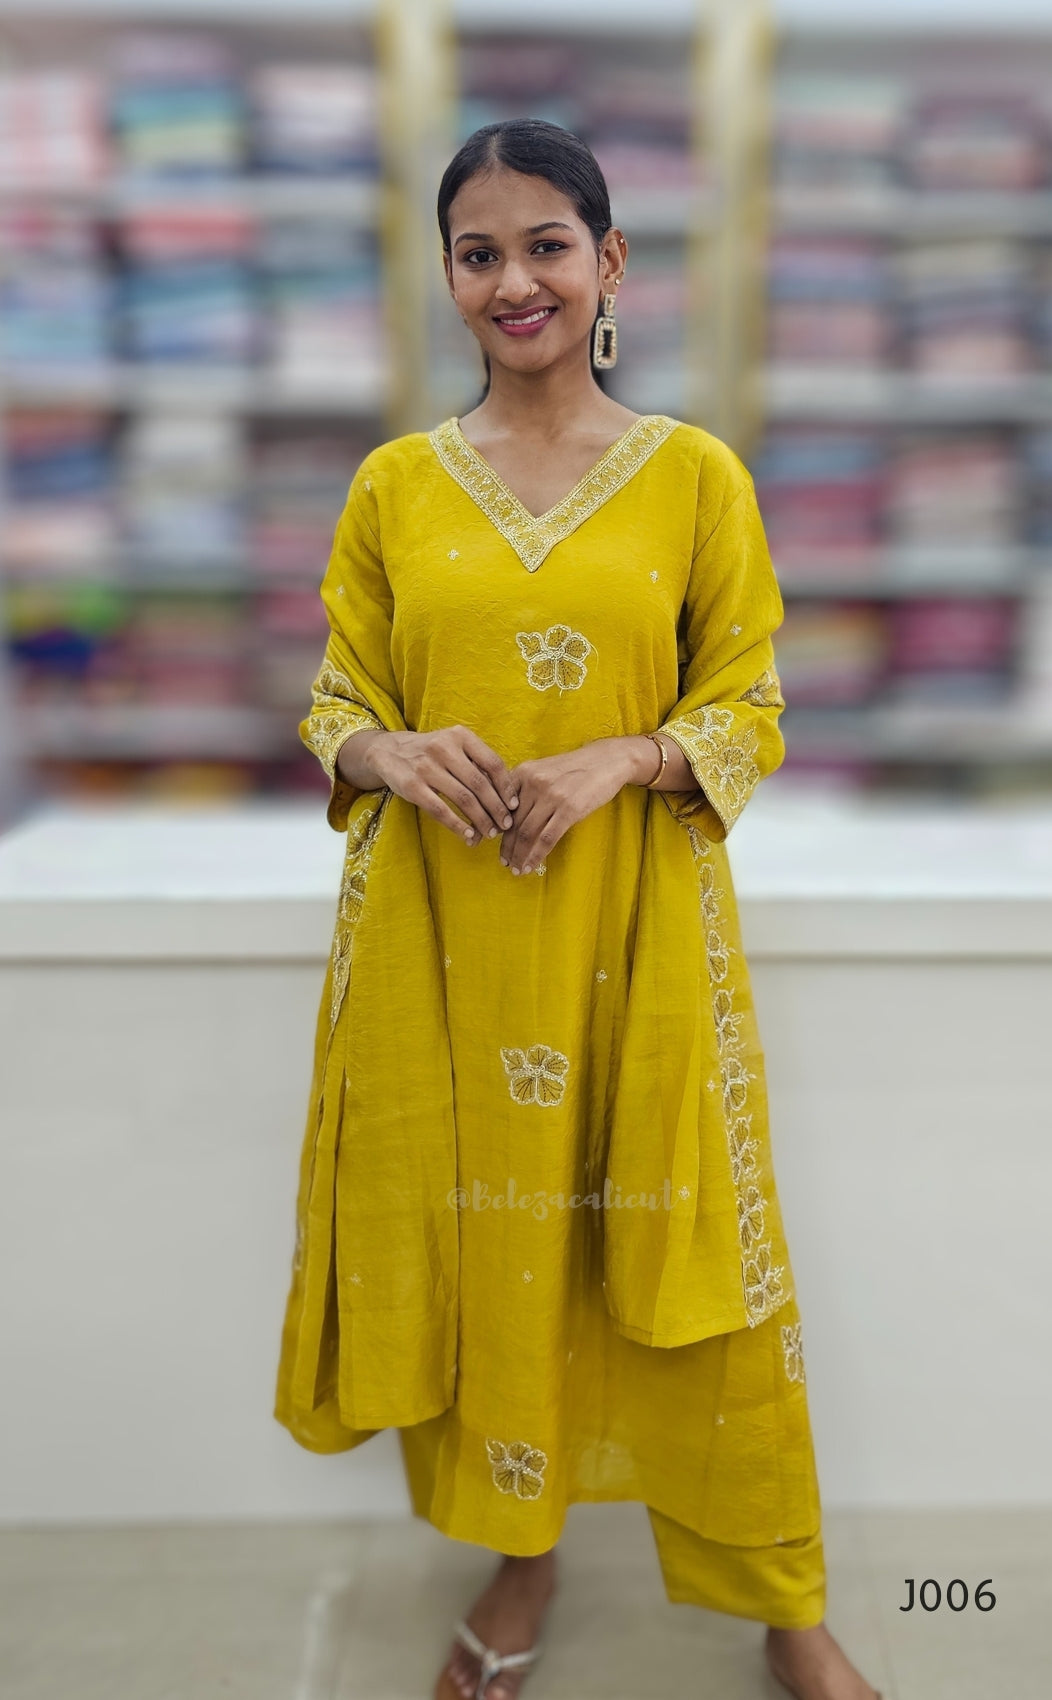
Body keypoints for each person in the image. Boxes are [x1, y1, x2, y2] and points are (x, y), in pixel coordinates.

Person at [274, 119, 882, 1700]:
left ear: (610, 262)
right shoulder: (396, 486)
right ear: (447, 275)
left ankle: (787, 1605)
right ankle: (522, 1557)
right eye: (477, 252)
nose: (513, 280)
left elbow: (748, 704)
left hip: (638, 936)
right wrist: (388, 751)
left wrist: (628, 753)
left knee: (700, 1266)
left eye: (546, 244)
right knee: (496, 1255)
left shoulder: (692, 475)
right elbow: (338, 701)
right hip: (444, 947)